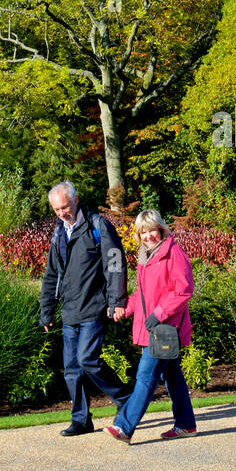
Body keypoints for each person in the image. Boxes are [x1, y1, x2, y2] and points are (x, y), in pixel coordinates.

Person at [40, 181, 131, 436]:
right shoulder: (59, 233)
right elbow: (51, 275)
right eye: (57, 209)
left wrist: (117, 301)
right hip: (69, 311)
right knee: (71, 368)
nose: (62, 213)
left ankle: (124, 399)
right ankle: (81, 419)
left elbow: (115, 264)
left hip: (94, 307)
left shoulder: (97, 225)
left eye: (65, 207)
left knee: (87, 359)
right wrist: (46, 311)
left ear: (76, 200)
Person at [104, 210, 197, 443]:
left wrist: (160, 313)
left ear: (161, 229)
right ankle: (186, 425)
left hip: (166, 328)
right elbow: (145, 296)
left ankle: (124, 426)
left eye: (152, 230)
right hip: (155, 328)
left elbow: (183, 291)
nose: (148, 236)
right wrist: (124, 309)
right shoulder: (147, 256)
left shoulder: (173, 253)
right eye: (143, 232)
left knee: (145, 376)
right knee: (173, 376)